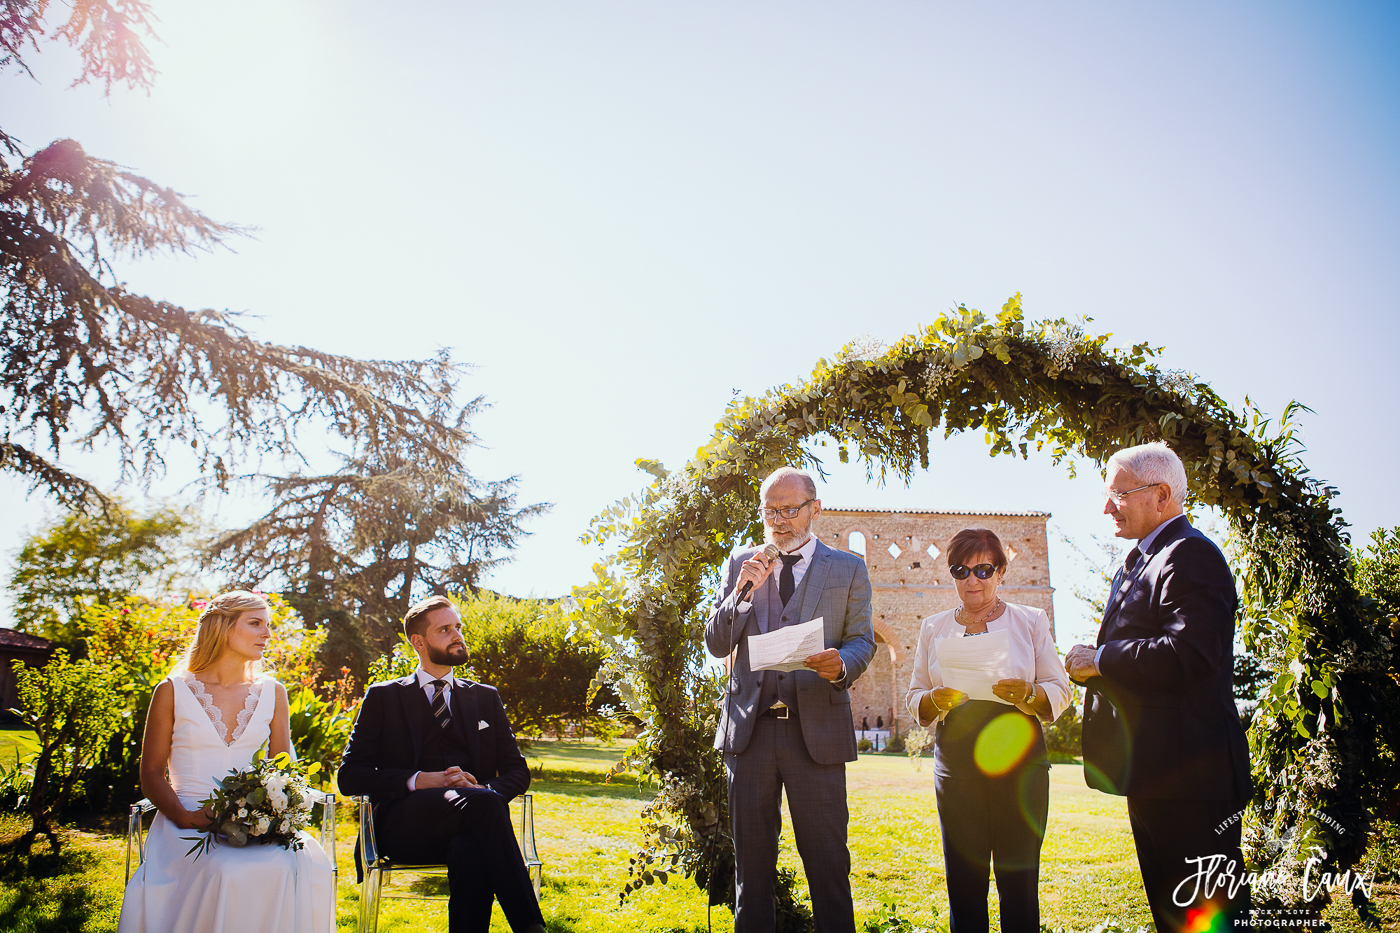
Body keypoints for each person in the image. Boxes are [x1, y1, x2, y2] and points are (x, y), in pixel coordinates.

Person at [1065, 442, 1252, 931]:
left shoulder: (1191, 555)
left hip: (1191, 780)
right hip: (1155, 774)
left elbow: (1189, 653)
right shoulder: (1144, 558)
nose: (1107, 507)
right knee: (1174, 917)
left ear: (1162, 495)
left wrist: (1101, 660)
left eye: (1118, 495)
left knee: (1210, 918)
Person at [705, 466, 876, 933]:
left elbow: (863, 640)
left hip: (815, 734)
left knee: (828, 869)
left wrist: (840, 663)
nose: (778, 520)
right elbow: (717, 643)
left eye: (789, 510)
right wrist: (742, 595)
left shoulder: (847, 568)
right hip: (751, 735)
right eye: (769, 511)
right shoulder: (741, 564)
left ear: (815, 509)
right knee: (752, 875)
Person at [118, 590, 334, 933]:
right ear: (221, 627)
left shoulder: (273, 692)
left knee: (301, 862)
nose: (267, 634)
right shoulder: (172, 690)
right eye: (255, 623)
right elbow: (151, 774)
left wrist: (271, 813)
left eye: (268, 625)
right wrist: (186, 818)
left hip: (253, 821)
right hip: (184, 822)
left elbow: (284, 770)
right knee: (226, 870)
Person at [338, 595, 544, 933]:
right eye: (445, 629)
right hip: (404, 827)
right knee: (482, 812)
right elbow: (349, 777)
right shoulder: (384, 697)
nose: (457, 636)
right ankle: (531, 927)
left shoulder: (485, 697)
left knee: (471, 848)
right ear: (418, 642)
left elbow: (516, 770)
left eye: (458, 627)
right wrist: (419, 780)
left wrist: (482, 789)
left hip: (474, 819)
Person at [905, 528, 1072, 933]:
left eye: (982, 570)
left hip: (1019, 763)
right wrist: (934, 701)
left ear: (1000, 572)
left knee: (1018, 881)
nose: (972, 581)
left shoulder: (1030, 621)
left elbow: (1060, 690)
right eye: (961, 571)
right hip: (957, 764)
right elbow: (914, 695)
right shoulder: (934, 627)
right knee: (963, 881)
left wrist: (1030, 694)